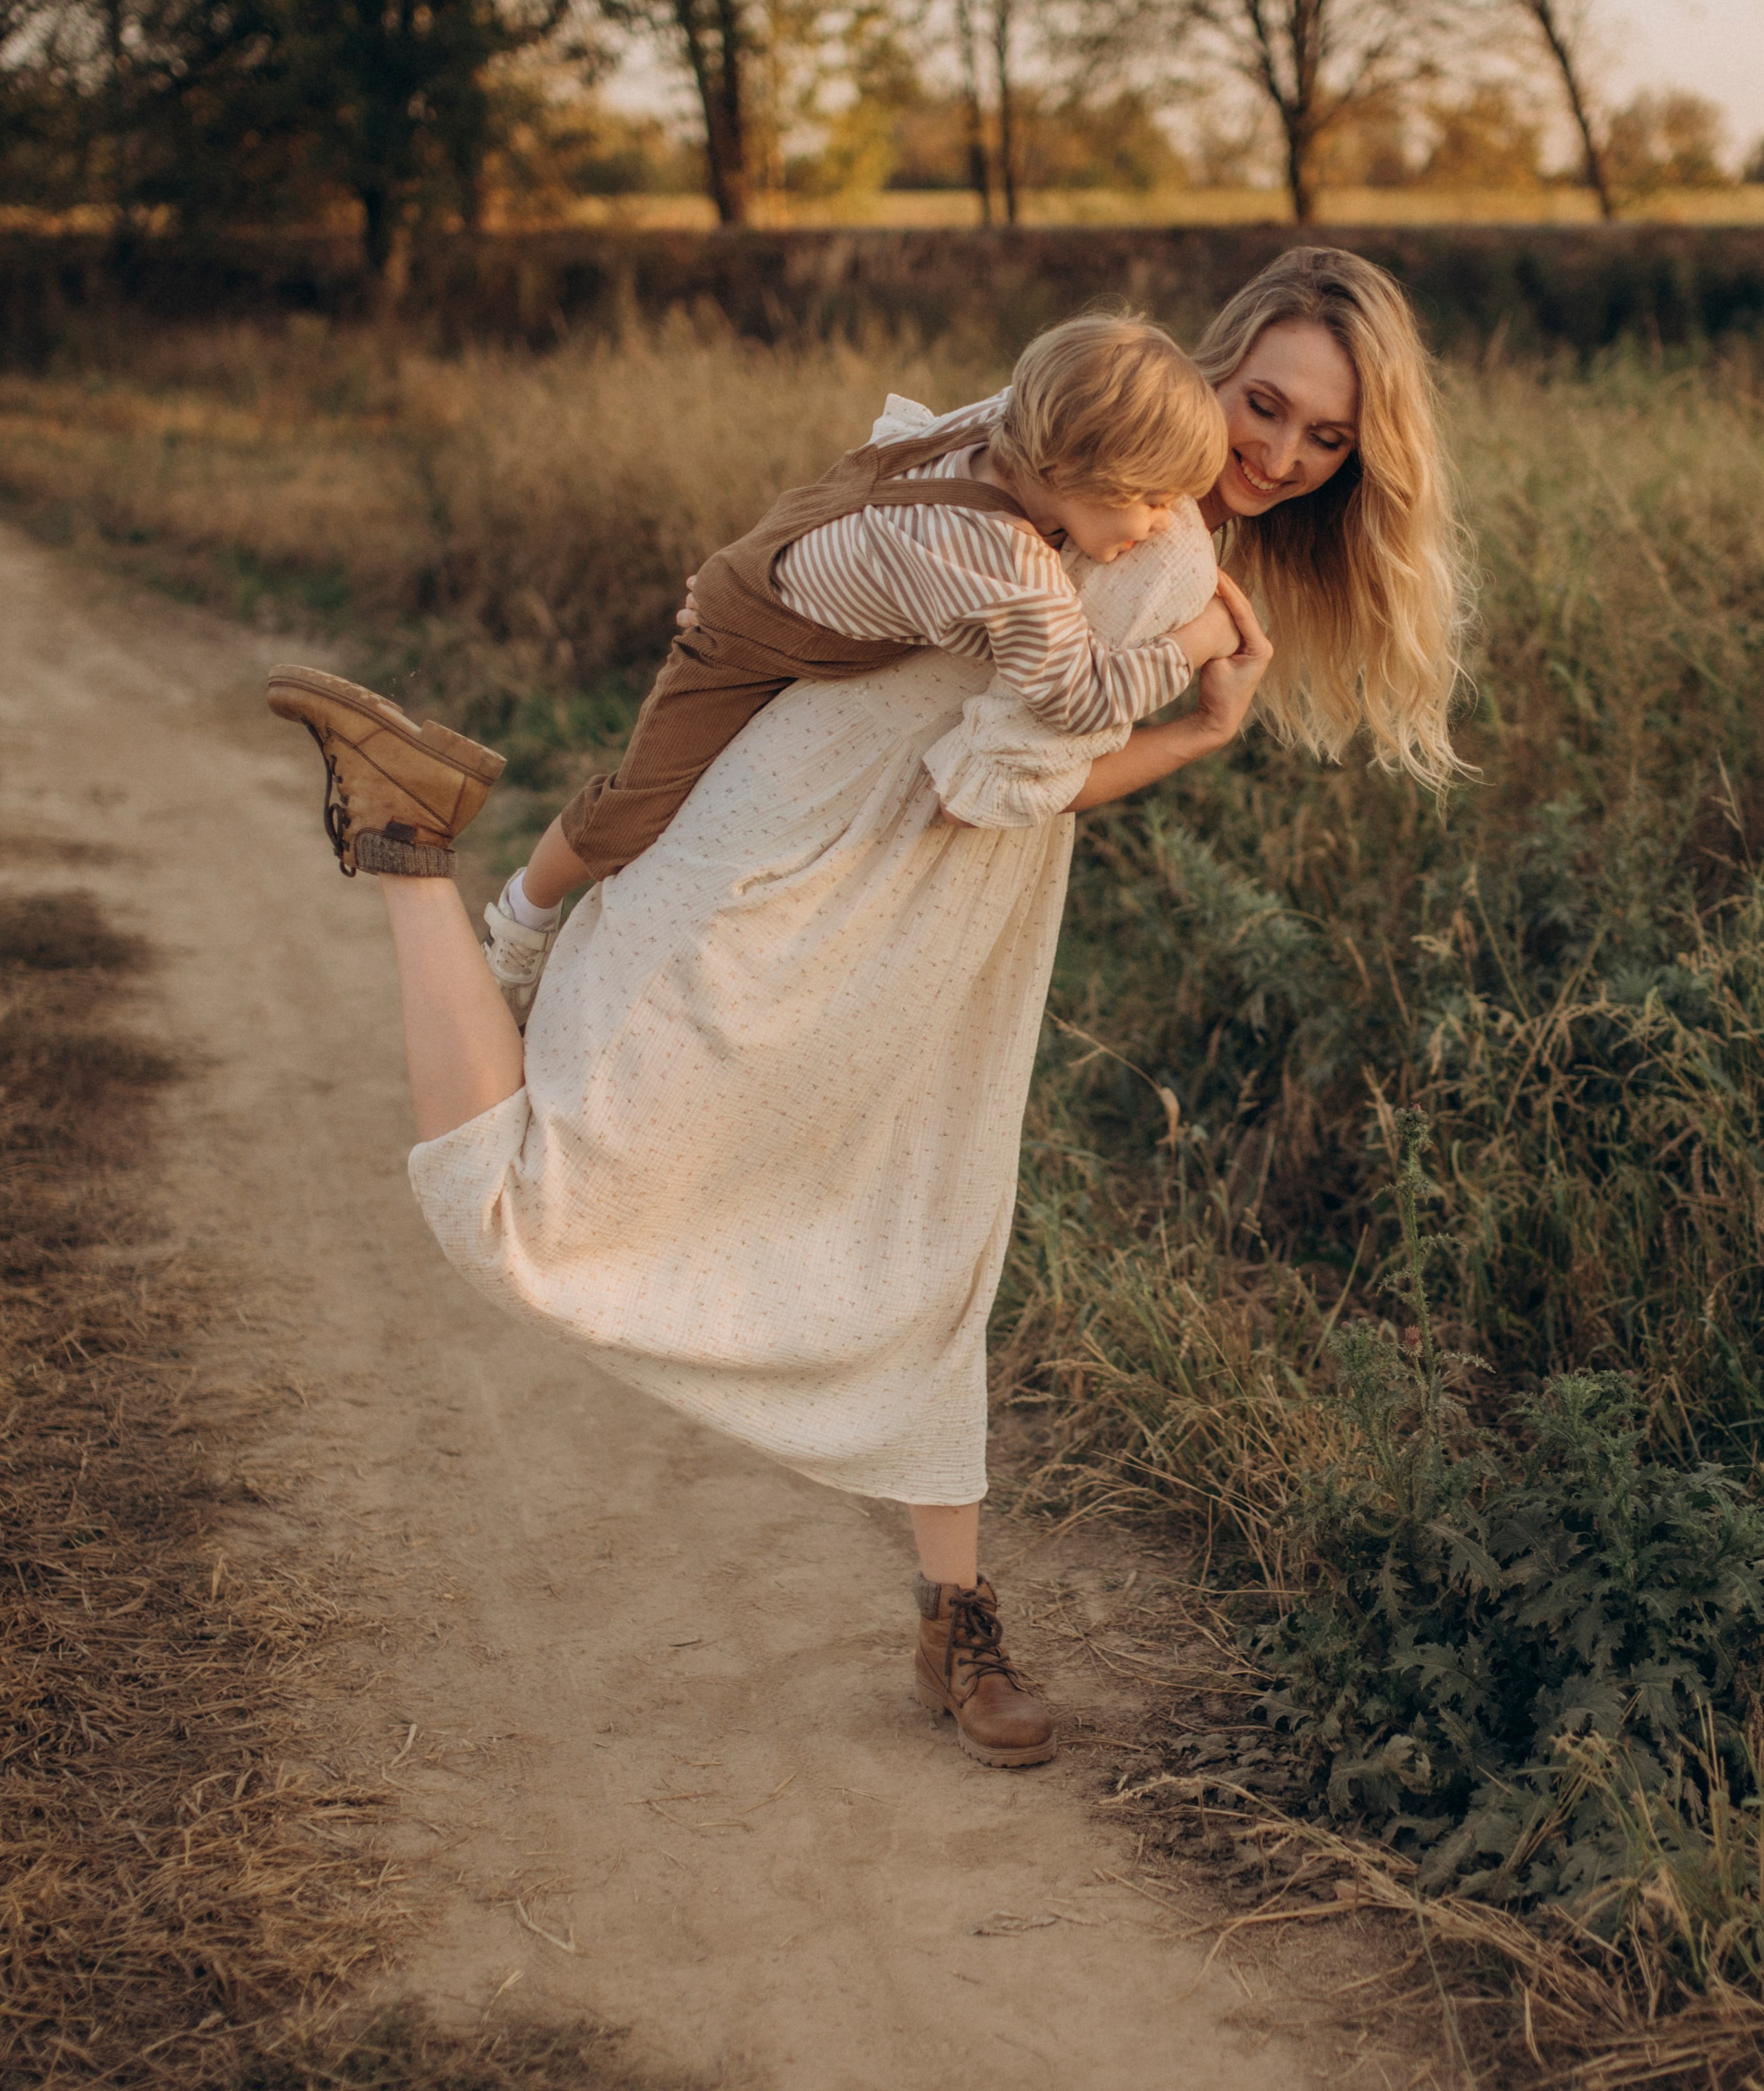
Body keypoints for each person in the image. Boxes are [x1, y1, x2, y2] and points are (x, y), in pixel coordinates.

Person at [266, 254, 1471, 1772]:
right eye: (1263, 406)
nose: (1280, 456)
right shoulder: (1159, 562)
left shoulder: (1076, 435)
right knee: (533, 1202)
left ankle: (954, 1618)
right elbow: (1000, 781)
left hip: (892, 888)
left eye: (1326, 441)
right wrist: (1200, 728)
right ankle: (405, 847)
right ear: (1211, 370)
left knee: (930, 1218)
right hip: (815, 870)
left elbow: (847, 516)